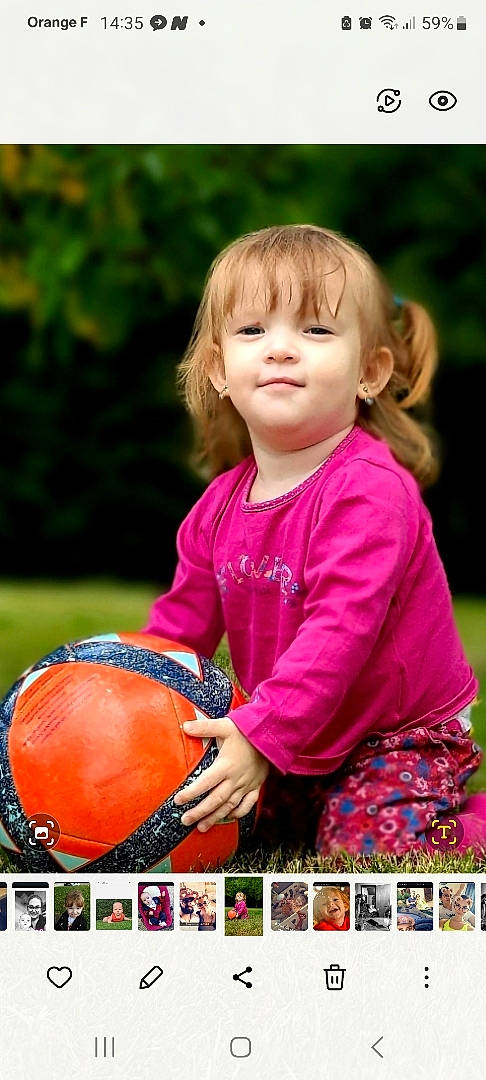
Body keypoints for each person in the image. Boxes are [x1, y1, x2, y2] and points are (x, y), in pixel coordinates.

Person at [143, 223, 481, 856]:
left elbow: (341, 629)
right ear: (219, 369)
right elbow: (176, 635)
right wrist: (109, 690)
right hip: (296, 731)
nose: (279, 349)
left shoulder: (370, 491)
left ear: (371, 373)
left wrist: (260, 731)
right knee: (217, 827)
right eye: (251, 331)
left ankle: (465, 822)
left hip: (399, 733)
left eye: (315, 330)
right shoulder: (218, 507)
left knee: (360, 853)